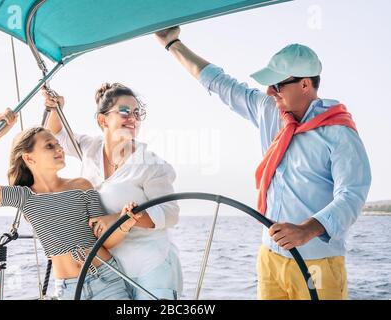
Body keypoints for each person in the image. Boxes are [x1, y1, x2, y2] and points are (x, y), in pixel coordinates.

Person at [155, 26, 371, 300]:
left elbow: (353, 194)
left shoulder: (339, 133)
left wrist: (307, 230)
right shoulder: (270, 110)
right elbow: (220, 83)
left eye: (278, 85)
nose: (270, 91)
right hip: (270, 258)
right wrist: (172, 43)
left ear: (305, 84)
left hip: (318, 265)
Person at [0, 108, 138, 300]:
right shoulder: (24, 197)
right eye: (49, 146)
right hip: (68, 290)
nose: (59, 149)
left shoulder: (81, 185)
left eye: (57, 144)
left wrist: (124, 224)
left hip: (107, 279)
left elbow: (103, 239)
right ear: (28, 158)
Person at [42, 83, 183, 300]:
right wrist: (55, 109)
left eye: (137, 113)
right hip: (112, 272)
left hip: (152, 268)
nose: (133, 118)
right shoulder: (90, 148)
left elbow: (170, 212)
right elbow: (57, 135)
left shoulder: (152, 164)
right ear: (103, 120)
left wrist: (124, 219)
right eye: (125, 111)